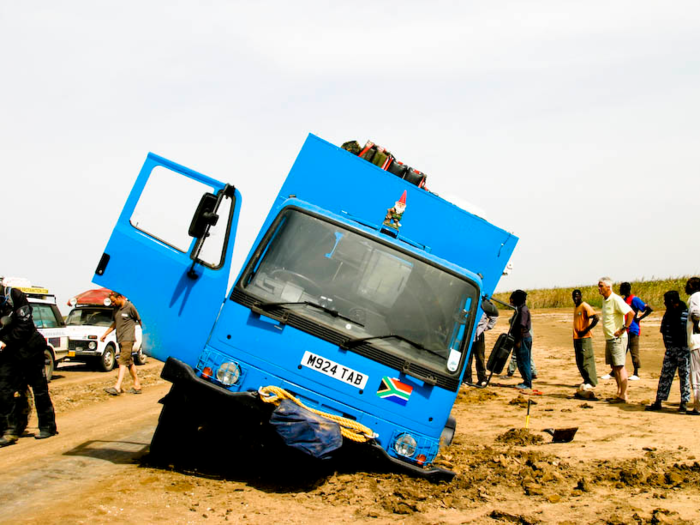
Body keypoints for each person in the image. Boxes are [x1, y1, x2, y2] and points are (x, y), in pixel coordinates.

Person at [0, 283, 58, 446]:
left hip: (30, 349)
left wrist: (4, 340)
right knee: (3, 388)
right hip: (10, 354)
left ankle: (47, 426)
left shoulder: (14, 296)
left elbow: (24, 326)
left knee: (39, 389)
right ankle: (10, 430)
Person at [645, 291, 690, 412]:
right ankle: (658, 401)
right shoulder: (668, 313)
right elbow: (664, 330)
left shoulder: (686, 313)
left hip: (683, 350)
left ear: (671, 301)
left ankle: (684, 403)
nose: (664, 303)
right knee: (665, 376)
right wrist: (668, 347)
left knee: (684, 376)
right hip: (671, 349)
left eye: (666, 301)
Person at [598, 277, 635, 404]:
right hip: (609, 338)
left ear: (608, 287)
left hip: (617, 339)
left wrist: (623, 329)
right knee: (614, 367)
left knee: (620, 366)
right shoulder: (605, 300)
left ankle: (624, 394)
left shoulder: (616, 299)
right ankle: (619, 392)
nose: (599, 288)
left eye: (601, 286)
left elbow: (631, 313)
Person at [101, 292, 143, 396]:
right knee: (129, 362)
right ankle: (137, 385)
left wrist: (143, 335)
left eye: (114, 301)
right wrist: (105, 334)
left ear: (120, 297)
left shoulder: (130, 307)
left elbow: (140, 320)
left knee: (122, 361)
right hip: (120, 338)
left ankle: (117, 387)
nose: (113, 303)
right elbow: (115, 324)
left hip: (128, 339)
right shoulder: (116, 309)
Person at [619, 282, 653, 380]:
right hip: (625, 328)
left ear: (626, 289)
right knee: (622, 350)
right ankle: (615, 371)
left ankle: (636, 372)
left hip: (633, 329)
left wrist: (639, 318)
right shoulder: (624, 300)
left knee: (634, 351)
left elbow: (649, 309)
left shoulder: (634, 299)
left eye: (621, 288)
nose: (620, 290)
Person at [464, 299, 499, 386]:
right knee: (467, 357)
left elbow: (494, 316)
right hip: (467, 334)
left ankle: (482, 379)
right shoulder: (468, 301)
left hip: (479, 335)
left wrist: (485, 328)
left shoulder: (485, 304)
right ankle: (467, 379)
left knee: (480, 357)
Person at [572, 289, 599, 388]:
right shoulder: (577, 307)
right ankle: (586, 379)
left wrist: (586, 330)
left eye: (577, 296)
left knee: (586, 359)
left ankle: (591, 381)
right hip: (577, 337)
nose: (575, 298)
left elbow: (596, 318)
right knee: (579, 360)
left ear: (581, 296)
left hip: (584, 338)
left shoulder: (584, 306)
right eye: (574, 296)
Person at [509, 290, 533, 390]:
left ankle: (527, 383)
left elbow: (521, 327)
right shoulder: (520, 309)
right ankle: (526, 380)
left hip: (523, 338)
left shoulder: (523, 310)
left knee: (524, 361)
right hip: (523, 338)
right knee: (521, 360)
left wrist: (518, 341)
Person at [686, 277, 700, 415]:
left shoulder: (695, 297)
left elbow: (696, 314)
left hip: (696, 342)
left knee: (696, 375)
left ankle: (697, 407)